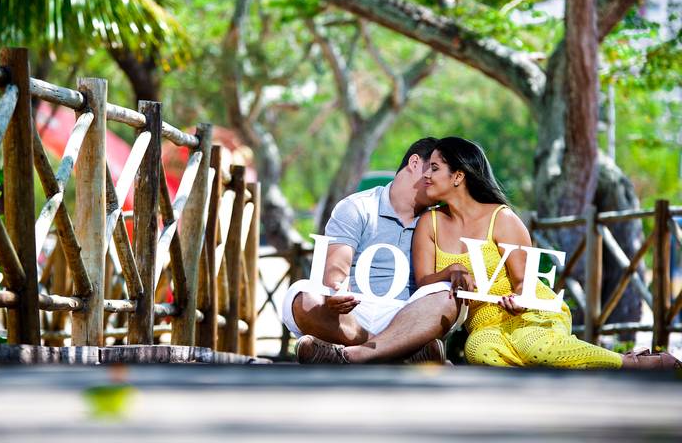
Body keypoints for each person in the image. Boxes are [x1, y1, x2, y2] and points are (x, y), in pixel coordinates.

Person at [412, 136, 681, 369]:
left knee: (532, 346)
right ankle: (551, 376)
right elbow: (424, 280)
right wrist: (451, 270)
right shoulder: (429, 222)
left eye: (434, 168)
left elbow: (525, 283)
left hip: (528, 313)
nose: (426, 175)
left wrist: (519, 299)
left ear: (458, 176)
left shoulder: (502, 219)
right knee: (479, 352)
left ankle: (630, 363)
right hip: (483, 323)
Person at [282, 138, 462, 364]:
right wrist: (338, 290)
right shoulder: (358, 206)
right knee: (302, 297)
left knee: (448, 298)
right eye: (434, 168)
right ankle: (399, 354)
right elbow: (336, 268)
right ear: (415, 163)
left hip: (409, 317)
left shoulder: (440, 220)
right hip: (352, 317)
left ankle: (348, 354)